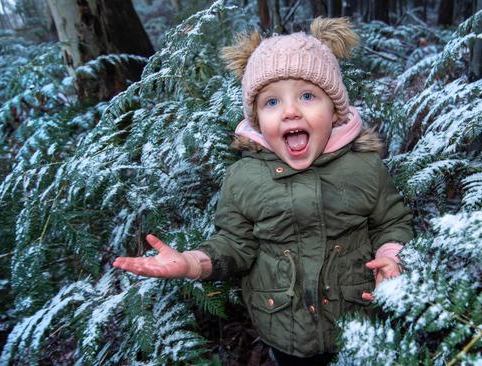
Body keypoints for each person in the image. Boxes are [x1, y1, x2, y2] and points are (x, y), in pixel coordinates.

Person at [113, 17, 413, 365]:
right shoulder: (245, 178)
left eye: (307, 95)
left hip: (358, 321)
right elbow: (235, 244)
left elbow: (391, 222)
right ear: (255, 118)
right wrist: (193, 263)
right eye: (271, 102)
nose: (289, 111)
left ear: (334, 108)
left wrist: (391, 256)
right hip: (283, 329)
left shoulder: (364, 167)